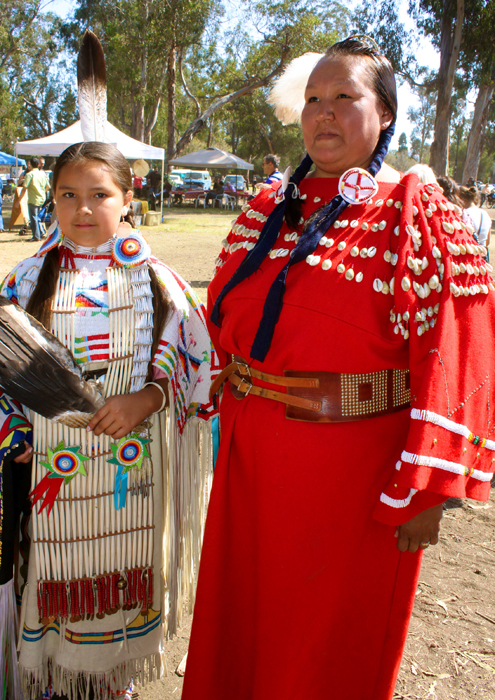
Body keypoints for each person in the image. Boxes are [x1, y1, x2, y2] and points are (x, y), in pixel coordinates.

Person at [182, 36, 495, 700]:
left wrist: (427, 489)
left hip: (351, 472)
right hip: (249, 454)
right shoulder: (269, 206)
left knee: (325, 644)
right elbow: (224, 320)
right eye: (313, 100)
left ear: (384, 112)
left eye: (344, 98)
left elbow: (458, 348)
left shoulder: (417, 210)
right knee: (241, 619)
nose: (322, 113)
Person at [0, 142, 216, 699]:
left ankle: (112, 681)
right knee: (47, 581)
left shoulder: (157, 279)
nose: (83, 209)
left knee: (121, 584)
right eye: (68, 195)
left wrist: (148, 397)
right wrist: (14, 431)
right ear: (52, 201)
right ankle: (53, 679)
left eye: (100, 194)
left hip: (129, 481)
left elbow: (192, 356)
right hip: (51, 477)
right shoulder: (26, 280)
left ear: (127, 199)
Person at [20, 157, 49, 241]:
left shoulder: (29, 174)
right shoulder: (43, 174)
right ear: (38, 164)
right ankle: (41, 232)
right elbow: (48, 187)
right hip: (42, 198)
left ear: (30, 165)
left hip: (33, 199)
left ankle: (36, 236)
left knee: (34, 218)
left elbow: (24, 188)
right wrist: (42, 191)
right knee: (38, 217)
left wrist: (19, 200)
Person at [458, 185, 492, 249]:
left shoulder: (464, 213)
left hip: (469, 254)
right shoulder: (485, 213)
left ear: (462, 199)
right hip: (482, 254)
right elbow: (488, 241)